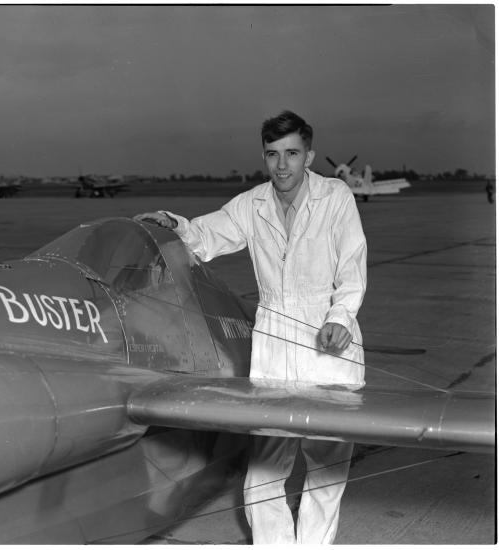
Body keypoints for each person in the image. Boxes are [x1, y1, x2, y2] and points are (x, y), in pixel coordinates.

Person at [134, 110, 367, 544]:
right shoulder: (251, 203)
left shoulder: (336, 197)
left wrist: (339, 319)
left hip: (329, 345)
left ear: (309, 155)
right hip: (274, 345)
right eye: (273, 154)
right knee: (262, 477)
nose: (282, 165)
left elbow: (352, 269)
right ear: (264, 156)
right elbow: (205, 235)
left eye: (292, 154)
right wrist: (174, 224)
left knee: (326, 471)